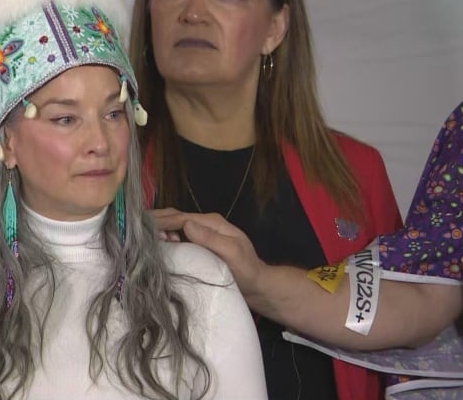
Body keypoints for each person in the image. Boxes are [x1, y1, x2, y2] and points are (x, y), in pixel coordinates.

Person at [0, 0, 266, 400]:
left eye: (114, 114)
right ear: (9, 142)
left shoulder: (199, 283)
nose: (99, 142)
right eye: (66, 119)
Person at [129, 0, 403, 400]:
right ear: (148, 13)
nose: (193, 13)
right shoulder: (100, 172)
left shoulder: (356, 172)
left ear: (275, 27)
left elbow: (408, 350)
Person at [155, 102, 463, 398]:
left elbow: (425, 300)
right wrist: (259, 280)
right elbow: (429, 295)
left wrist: (259, 281)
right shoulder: (122, 167)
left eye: (114, 112)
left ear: (273, 43)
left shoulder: (355, 167)